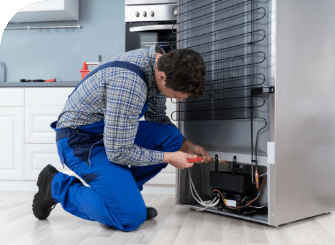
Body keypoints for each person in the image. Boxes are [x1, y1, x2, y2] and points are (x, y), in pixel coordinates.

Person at [32, 44, 213, 232]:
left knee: (171, 139)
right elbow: (118, 152)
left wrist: (185, 145)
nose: (180, 100)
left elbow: (157, 118)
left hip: (109, 135)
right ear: (162, 77)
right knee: (129, 217)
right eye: (177, 96)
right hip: (80, 140)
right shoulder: (130, 84)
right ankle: (56, 186)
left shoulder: (160, 64)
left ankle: (123, 197)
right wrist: (169, 157)